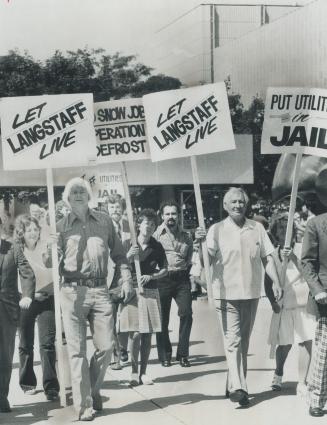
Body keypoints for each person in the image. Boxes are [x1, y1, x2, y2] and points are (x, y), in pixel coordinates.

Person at [51, 177, 133, 421]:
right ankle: (85, 405)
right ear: (67, 198)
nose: (78, 194)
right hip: (72, 292)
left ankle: (92, 390)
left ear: (89, 196)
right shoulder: (60, 227)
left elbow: (119, 255)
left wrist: (126, 279)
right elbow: (50, 264)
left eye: (82, 191)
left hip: (100, 291)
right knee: (76, 351)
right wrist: (51, 248)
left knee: (107, 347)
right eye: (73, 191)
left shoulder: (105, 221)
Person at [205, 187, 282, 407]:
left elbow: (268, 258)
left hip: (250, 292)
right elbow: (206, 260)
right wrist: (201, 246)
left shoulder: (256, 228)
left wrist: (276, 281)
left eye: (241, 201)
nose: (238, 205)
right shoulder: (216, 230)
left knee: (243, 342)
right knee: (233, 341)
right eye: (233, 202)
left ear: (246, 205)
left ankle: (233, 382)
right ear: (225, 206)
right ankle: (240, 388)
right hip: (225, 293)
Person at [265, 214, 314, 397]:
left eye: (288, 231)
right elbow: (267, 281)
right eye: (280, 231)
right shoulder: (272, 254)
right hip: (283, 305)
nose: (284, 235)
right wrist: (272, 302)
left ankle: (302, 382)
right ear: (275, 234)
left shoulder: (302, 250)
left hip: (303, 305)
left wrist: (292, 256)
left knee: (306, 342)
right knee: (284, 344)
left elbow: (309, 273)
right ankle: (278, 373)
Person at [119, 208, 167, 385]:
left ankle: (144, 372)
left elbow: (165, 269)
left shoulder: (157, 246)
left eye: (153, 224)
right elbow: (117, 265)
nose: (149, 227)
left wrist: (152, 276)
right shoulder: (128, 244)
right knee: (136, 333)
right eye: (146, 223)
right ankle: (133, 371)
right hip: (132, 290)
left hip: (151, 291)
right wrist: (128, 257)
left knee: (148, 334)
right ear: (139, 224)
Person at [15, 214, 60, 400]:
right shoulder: (17, 251)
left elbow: (54, 270)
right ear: (22, 233)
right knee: (26, 344)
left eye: (35, 229)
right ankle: (27, 382)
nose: (33, 233)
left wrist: (55, 247)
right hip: (26, 301)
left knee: (47, 344)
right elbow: (16, 278)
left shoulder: (46, 247)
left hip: (47, 299)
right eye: (28, 230)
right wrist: (30, 295)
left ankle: (51, 386)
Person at [0, 216, 35, 413]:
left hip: (6, 310)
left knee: (4, 355)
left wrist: (28, 295)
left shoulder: (13, 248)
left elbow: (27, 273)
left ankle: (1, 396)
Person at [153, 200, 194, 368]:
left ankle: (183, 354)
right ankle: (165, 355)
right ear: (162, 216)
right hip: (162, 279)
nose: (171, 217)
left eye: (174, 214)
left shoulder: (186, 236)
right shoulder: (156, 235)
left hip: (181, 279)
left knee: (186, 313)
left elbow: (190, 258)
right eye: (167, 214)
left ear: (178, 216)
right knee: (162, 319)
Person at [301, 211, 327, 417]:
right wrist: (317, 289)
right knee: (324, 350)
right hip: (326, 296)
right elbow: (307, 262)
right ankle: (317, 399)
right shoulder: (316, 224)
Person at [106, 194, 131, 368]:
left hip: (127, 276)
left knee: (127, 319)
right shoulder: (104, 227)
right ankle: (116, 355)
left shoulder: (129, 227)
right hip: (110, 278)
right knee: (111, 319)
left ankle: (124, 349)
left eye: (117, 207)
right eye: (112, 207)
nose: (115, 210)